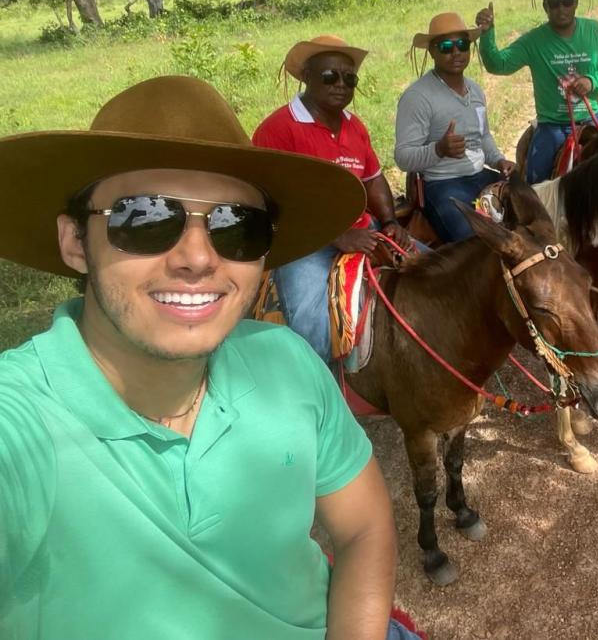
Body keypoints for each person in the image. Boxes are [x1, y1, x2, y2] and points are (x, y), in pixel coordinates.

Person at [0, 75, 421, 639]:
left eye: (236, 225)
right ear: (76, 242)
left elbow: (365, 525)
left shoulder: (286, 361)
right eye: (145, 218)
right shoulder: (19, 425)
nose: (198, 257)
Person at [253, 35, 411, 363]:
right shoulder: (279, 129)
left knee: (434, 269)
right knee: (311, 323)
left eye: (349, 78)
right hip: (302, 241)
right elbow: (272, 200)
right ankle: (322, 396)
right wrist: (338, 236)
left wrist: (391, 220)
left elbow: (372, 179)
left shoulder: (355, 127)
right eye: (330, 77)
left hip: (362, 229)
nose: (341, 84)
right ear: (306, 77)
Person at [475, 0, 598, 184]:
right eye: (554, 3)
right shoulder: (534, 41)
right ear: (545, 6)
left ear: (575, 3)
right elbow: (498, 64)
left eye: (567, 2)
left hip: (593, 116)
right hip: (554, 126)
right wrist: (487, 34)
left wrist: (593, 80)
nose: (561, 9)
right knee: (536, 185)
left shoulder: (595, 31)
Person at [394, 11, 515, 243]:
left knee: (534, 218)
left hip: (480, 175)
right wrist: (439, 149)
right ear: (432, 52)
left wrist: (499, 161)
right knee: (475, 243)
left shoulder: (476, 91)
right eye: (446, 46)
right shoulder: (417, 97)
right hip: (442, 185)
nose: (456, 52)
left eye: (462, 44)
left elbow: (484, 136)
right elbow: (403, 157)